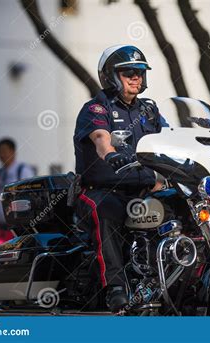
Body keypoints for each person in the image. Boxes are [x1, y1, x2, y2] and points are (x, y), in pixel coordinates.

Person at [73, 45, 168, 312]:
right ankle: (115, 287)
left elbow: (171, 139)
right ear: (111, 77)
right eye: (128, 72)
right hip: (102, 189)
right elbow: (101, 139)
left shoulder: (149, 110)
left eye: (139, 72)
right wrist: (111, 155)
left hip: (143, 191)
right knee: (106, 209)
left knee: (180, 206)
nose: (136, 77)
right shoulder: (96, 109)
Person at [0, 138, 35, 230]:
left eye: (4, 151)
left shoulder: (23, 170)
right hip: (1, 226)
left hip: (19, 226)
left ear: (13, 151)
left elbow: (32, 195)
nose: (1, 155)